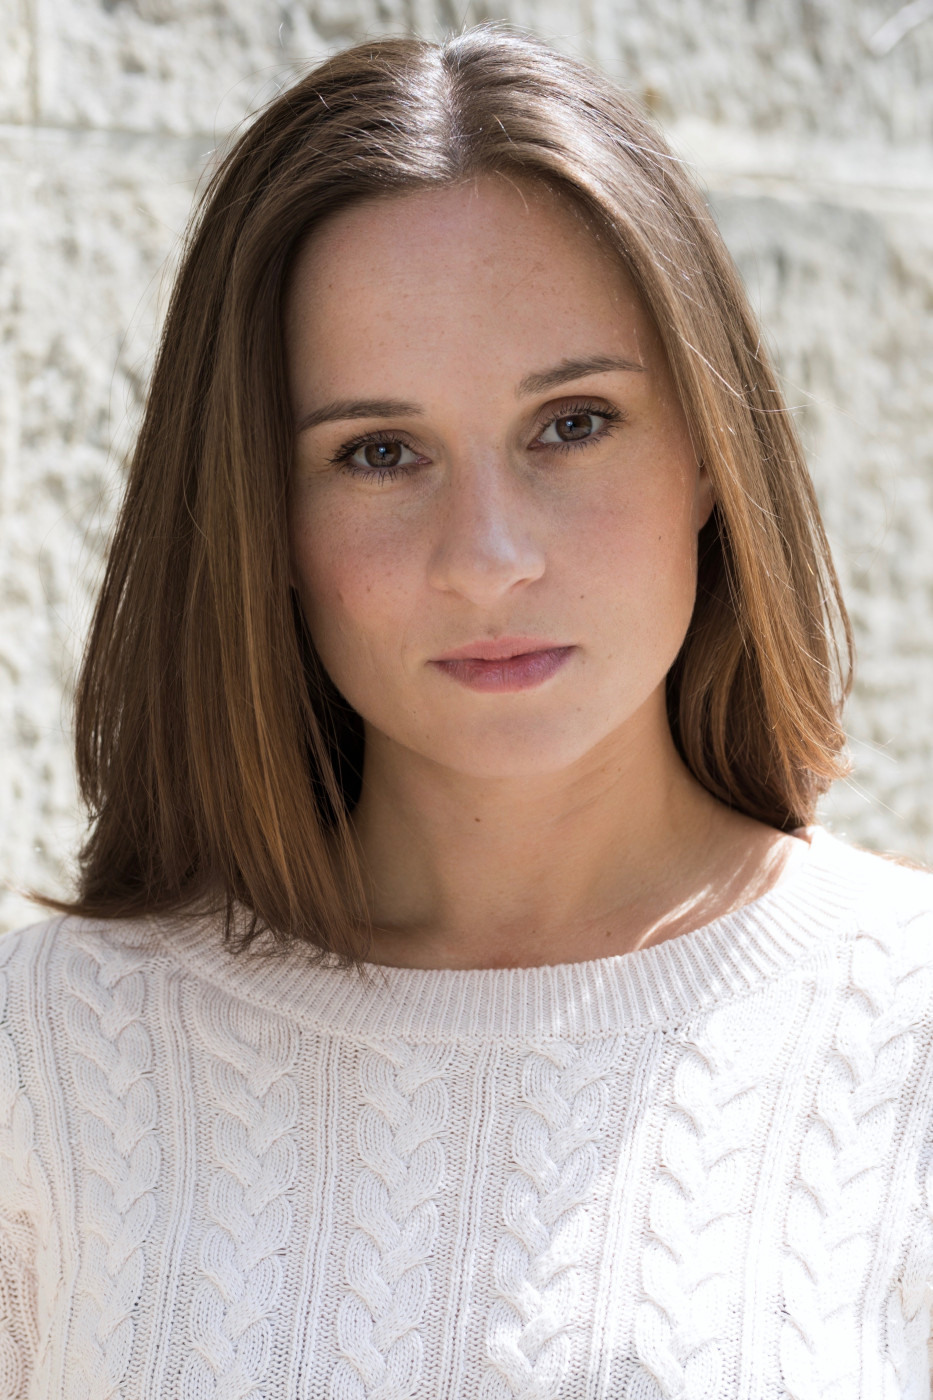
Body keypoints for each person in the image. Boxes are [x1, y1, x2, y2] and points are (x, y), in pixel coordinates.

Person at [1, 22, 931, 1399]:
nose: (488, 559)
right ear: (262, 518)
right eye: (379, 452)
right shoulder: (44, 1063)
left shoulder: (906, 1021)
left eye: (573, 423)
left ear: (708, 453)